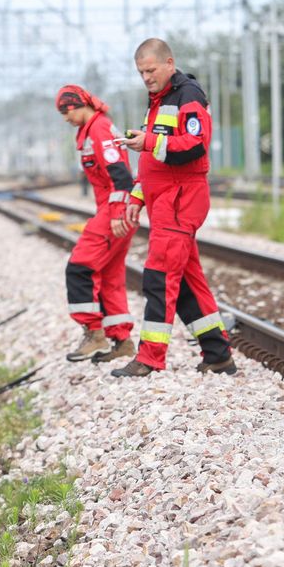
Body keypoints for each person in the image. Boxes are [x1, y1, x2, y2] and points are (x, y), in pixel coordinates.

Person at [117, 37, 234, 378]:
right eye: (141, 72)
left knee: (159, 276)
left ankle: (150, 357)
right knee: (184, 281)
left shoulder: (188, 96)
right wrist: (137, 197)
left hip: (181, 200)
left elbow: (195, 146)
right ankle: (218, 354)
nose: (146, 77)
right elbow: (155, 160)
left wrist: (149, 141)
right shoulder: (158, 100)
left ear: (169, 63)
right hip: (164, 201)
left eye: (151, 70)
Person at [57, 84, 138, 363]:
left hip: (114, 211)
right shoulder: (91, 129)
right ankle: (123, 341)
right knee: (109, 278)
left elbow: (121, 175)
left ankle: (94, 334)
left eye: (65, 111)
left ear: (76, 105)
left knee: (79, 268)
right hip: (116, 209)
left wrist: (116, 213)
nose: (65, 118)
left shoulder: (99, 129)